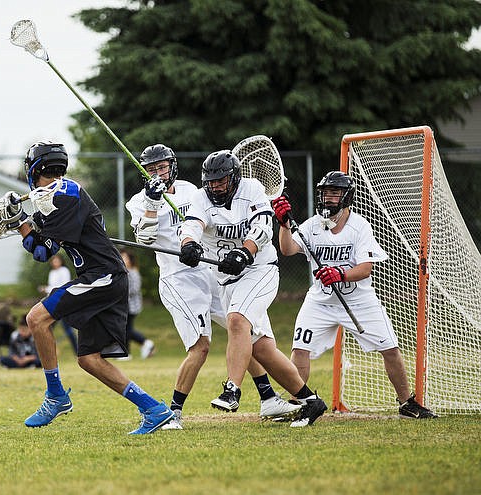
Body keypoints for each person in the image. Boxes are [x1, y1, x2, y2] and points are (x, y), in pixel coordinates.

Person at [0, 140, 174, 434]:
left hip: (102, 276)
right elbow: (39, 237)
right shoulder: (58, 194)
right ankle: (154, 409)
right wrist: (18, 219)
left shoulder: (65, 196)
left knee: (36, 318)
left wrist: (18, 220)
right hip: (101, 276)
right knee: (89, 359)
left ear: (33, 169)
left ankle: (56, 396)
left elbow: (42, 252)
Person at [126, 144, 300, 429]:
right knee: (201, 346)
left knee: (246, 333)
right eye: (151, 169)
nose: (158, 173)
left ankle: (268, 398)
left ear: (172, 166)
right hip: (178, 278)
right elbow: (145, 238)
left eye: (162, 167)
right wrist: (152, 205)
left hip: (211, 270)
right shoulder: (138, 201)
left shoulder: (191, 190)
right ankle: (173, 414)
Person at [178, 149, 328, 427]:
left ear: (233, 178)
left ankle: (232, 390)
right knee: (261, 348)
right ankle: (310, 401)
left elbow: (261, 226)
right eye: (210, 182)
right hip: (227, 281)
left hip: (260, 270)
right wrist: (188, 244)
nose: (215, 187)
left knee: (237, 321)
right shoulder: (201, 198)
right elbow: (192, 225)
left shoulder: (252, 189)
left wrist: (245, 253)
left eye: (221, 181)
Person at [272, 171, 437, 419]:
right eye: (325, 193)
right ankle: (298, 402)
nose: (328, 198)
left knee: (390, 348)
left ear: (346, 196)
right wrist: (284, 225)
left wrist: (340, 274)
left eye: (334, 193)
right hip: (320, 301)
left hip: (359, 300)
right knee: (300, 348)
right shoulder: (312, 225)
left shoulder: (359, 226)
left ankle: (407, 403)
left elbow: (365, 268)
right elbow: (287, 249)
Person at [119, 249, 155, 359]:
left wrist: (120, 291)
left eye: (125, 258)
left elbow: (134, 289)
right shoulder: (125, 272)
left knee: (126, 330)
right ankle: (145, 344)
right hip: (126, 306)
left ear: (130, 260)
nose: (122, 260)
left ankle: (131, 350)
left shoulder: (133, 272)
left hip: (132, 306)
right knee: (126, 329)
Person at [39, 255, 78, 354]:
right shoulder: (52, 272)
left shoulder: (64, 271)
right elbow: (52, 287)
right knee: (48, 326)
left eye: (57, 260)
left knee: (67, 328)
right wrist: (46, 289)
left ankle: (77, 351)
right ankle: (50, 350)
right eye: (54, 261)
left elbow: (62, 286)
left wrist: (46, 289)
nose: (55, 262)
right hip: (52, 301)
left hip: (61, 302)